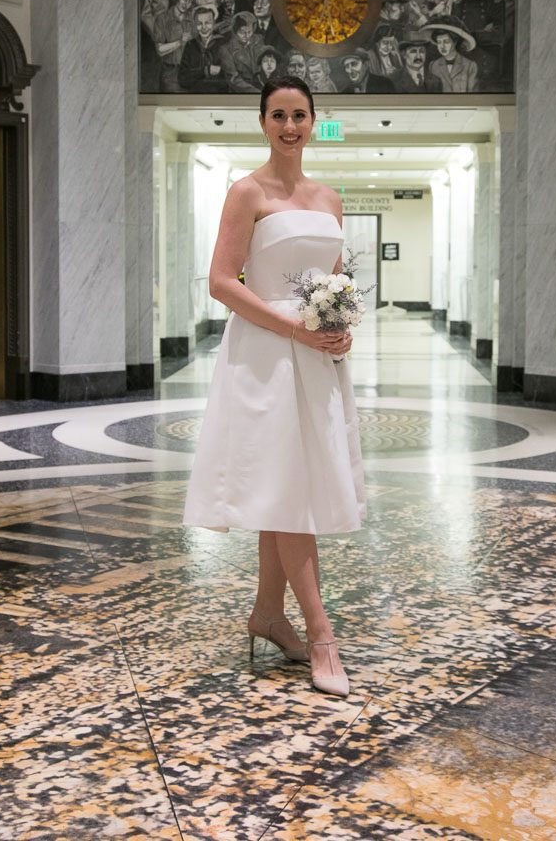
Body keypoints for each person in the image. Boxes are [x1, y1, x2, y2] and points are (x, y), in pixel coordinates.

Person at [183, 75, 365, 698]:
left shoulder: (330, 199)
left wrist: (338, 327)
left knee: (287, 484)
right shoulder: (246, 191)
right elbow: (221, 281)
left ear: (315, 122)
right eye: (278, 115)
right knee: (289, 488)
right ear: (262, 122)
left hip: (316, 358)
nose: (290, 126)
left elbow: (330, 284)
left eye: (300, 115)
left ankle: (266, 616)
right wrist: (288, 321)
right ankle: (320, 634)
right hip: (264, 353)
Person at [152, 0, 195, 91]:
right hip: (170, 72)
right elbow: (160, 50)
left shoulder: (192, 20)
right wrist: (180, 42)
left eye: (190, 2)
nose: (187, 4)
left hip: (189, 71)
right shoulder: (162, 19)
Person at [177, 5, 228, 92]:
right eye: (199, 23)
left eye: (207, 23)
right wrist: (205, 71)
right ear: (195, 25)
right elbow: (182, 79)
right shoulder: (190, 45)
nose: (204, 27)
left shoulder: (224, 43)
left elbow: (231, 76)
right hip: (195, 98)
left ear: (214, 23)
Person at [421, 15, 478, 92]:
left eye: (446, 41)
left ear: (455, 42)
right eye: (439, 42)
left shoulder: (470, 66)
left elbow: (473, 97)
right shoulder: (433, 65)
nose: (442, 46)